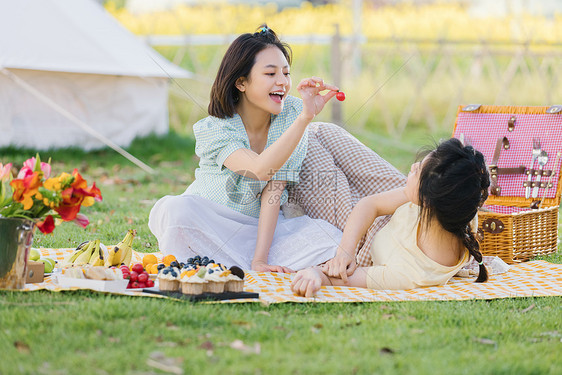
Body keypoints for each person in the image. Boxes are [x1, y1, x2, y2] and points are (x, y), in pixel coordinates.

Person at [148, 25, 344, 272]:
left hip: (255, 228)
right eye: (270, 74)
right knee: (176, 209)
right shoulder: (214, 128)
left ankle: (233, 262)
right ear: (241, 82)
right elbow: (260, 171)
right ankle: (219, 259)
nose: (283, 82)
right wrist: (305, 118)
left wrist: (260, 260)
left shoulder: (293, 114)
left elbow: (274, 187)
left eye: (286, 73)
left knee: (329, 239)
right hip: (207, 220)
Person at [291, 138, 491, 297]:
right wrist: (345, 251)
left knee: (306, 147)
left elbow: (341, 279)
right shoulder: (458, 206)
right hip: (392, 195)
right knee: (324, 133)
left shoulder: (409, 273)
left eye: (418, 169)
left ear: (427, 200)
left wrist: (315, 273)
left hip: (363, 239)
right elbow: (372, 204)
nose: (412, 166)